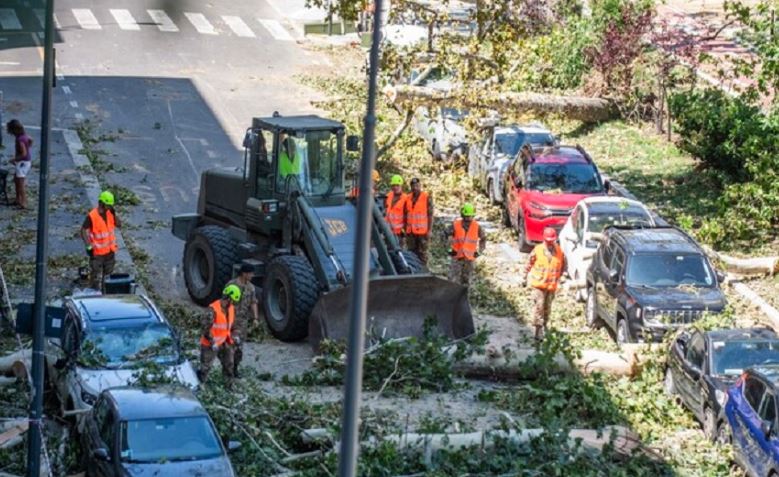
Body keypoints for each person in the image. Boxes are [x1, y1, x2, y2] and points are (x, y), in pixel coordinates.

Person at [522, 227, 565, 343]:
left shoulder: (559, 252)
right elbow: (529, 263)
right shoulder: (538, 250)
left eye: (552, 241)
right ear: (544, 239)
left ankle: (545, 326)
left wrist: (561, 278)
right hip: (539, 285)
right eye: (548, 241)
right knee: (539, 307)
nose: (550, 243)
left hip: (551, 286)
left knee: (547, 308)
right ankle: (538, 330)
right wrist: (524, 277)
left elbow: (563, 266)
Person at [198, 284, 241, 386]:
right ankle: (201, 385)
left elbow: (233, 326)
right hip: (210, 344)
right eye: (233, 301)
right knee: (206, 367)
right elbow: (205, 328)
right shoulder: (213, 310)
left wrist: (235, 336)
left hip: (225, 342)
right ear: (229, 298)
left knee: (229, 364)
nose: (234, 303)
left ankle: (229, 385)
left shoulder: (231, 309)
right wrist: (212, 342)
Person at [81, 191, 121, 291]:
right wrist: (88, 245)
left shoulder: (110, 213)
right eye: (108, 205)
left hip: (110, 252)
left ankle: (105, 296)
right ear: (102, 203)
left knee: (108, 279)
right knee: (95, 278)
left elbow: (119, 224)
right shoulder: (92, 216)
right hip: (97, 254)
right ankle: (94, 295)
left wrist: (114, 214)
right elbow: (83, 230)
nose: (110, 207)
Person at [226, 264, 260, 378]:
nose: (252, 276)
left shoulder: (251, 287)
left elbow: (253, 302)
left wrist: (255, 318)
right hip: (231, 320)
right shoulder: (232, 285)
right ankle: (228, 369)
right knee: (230, 347)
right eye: (251, 273)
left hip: (242, 322)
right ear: (244, 273)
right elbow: (224, 302)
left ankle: (235, 368)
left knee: (239, 347)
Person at [447, 203, 486, 287]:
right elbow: (446, 234)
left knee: (467, 280)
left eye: (470, 216)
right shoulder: (455, 225)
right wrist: (449, 249)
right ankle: (452, 295)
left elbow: (483, 239)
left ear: (473, 216)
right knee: (453, 278)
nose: (468, 219)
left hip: (469, 258)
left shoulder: (477, 227)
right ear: (462, 215)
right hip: (457, 256)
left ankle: (464, 297)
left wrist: (479, 251)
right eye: (466, 216)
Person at [405, 178, 434, 264]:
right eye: (413, 186)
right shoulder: (408, 198)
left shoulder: (426, 197)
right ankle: (413, 271)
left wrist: (429, 230)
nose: (415, 188)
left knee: (422, 254)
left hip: (422, 232)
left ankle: (423, 272)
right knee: (411, 253)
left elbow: (430, 215)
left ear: (420, 186)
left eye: (417, 186)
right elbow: (406, 214)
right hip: (411, 232)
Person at [6, 120, 32, 210]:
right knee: (16, 180)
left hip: (22, 163)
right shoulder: (25, 136)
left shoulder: (19, 139)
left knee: (20, 183)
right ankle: (18, 199)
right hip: (25, 162)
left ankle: (23, 201)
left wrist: (14, 159)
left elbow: (23, 153)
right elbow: (30, 140)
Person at [385, 174, 408, 245]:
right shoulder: (388, 196)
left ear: (401, 186)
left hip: (399, 233)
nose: (395, 187)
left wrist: (404, 234)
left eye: (397, 185)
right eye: (394, 185)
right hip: (386, 231)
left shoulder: (406, 199)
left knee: (397, 253)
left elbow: (408, 217)